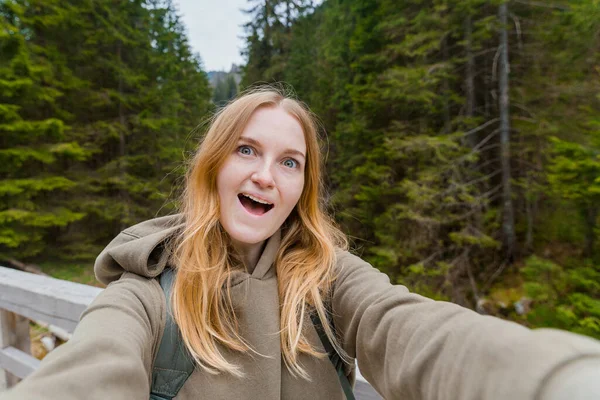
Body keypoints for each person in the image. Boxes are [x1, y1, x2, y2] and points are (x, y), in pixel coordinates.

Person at [2, 88, 600, 400]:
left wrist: (559, 380)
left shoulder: (329, 280)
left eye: (289, 162)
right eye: (246, 150)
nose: (266, 175)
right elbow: (93, 365)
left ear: (300, 189)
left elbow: (417, 333)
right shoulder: (146, 290)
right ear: (213, 166)